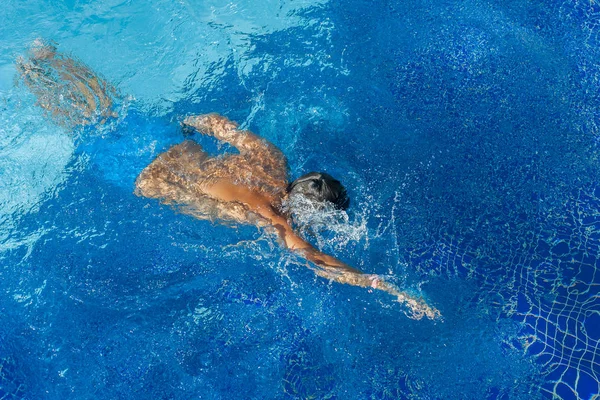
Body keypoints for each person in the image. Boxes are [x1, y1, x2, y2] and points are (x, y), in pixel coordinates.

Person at [17, 40, 440, 320]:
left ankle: (45, 55)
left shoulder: (273, 159)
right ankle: (28, 75)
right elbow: (315, 260)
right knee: (76, 121)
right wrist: (382, 286)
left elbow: (222, 126)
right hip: (140, 174)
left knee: (104, 102)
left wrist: (186, 123)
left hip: (169, 139)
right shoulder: (273, 218)